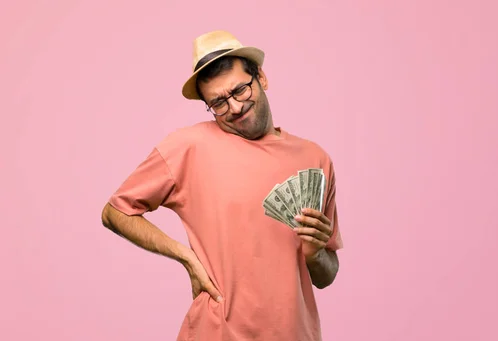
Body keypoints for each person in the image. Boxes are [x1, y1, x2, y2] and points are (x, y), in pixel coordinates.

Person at [101, 30, 343, 341]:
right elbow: (114, 212)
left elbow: (326, 276)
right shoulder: (189, 146)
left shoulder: (315, 159)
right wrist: (185, 256)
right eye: (218, 102)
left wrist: (315, 254)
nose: (235, 107)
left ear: (261, 78)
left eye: (240, 90)